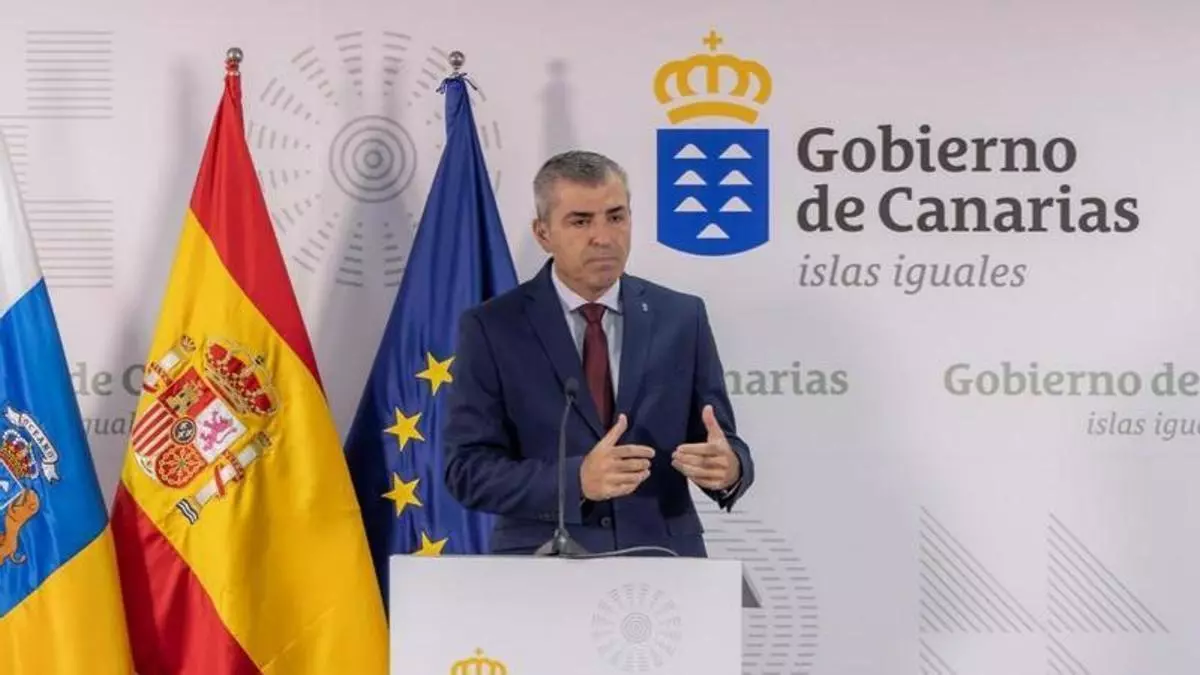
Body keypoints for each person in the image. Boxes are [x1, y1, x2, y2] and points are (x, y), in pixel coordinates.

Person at [442, 150, 754, 557]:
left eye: (616, 217)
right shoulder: (493, 327)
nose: (603, 237)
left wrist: (729, 468)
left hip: (662, 560)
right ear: (543, 233)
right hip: (544, 564)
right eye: (581, 221)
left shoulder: (682, 317)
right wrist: (575, 481)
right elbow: (466, 470)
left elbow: (720, 439)